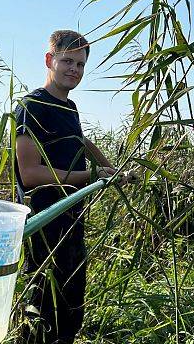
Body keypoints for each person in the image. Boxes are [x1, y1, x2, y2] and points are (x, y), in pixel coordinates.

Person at [15, 30, 120, 343]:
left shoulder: (69, 108)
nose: (74, 69)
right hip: (44, 224)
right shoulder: (32, 106)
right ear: (50, 60)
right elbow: (31, 173)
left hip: (71, 220)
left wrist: (112, 170)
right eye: (67, 61)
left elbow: (80, 141)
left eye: (81, 64)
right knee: (43, 308)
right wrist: (91, 177)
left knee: (72, 304)